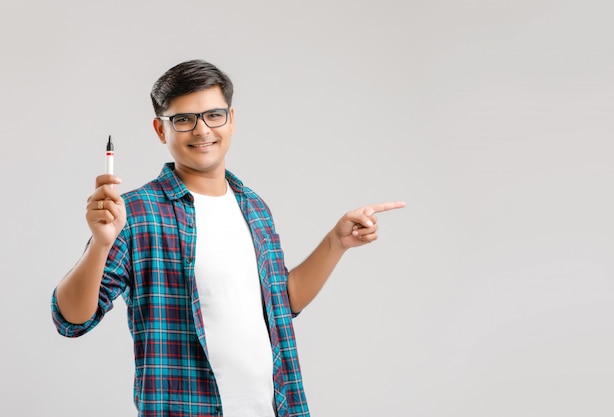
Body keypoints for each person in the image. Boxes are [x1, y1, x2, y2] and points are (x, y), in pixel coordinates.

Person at [51, 59, 405, 417]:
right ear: (161, 129)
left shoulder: (253, 207)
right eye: (184, 119)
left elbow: (282, 304)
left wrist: (335, 242)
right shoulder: (135, 213)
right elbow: (71, 320)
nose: (202, 130)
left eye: (213, 115)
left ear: (231, 120)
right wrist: (100, 243)